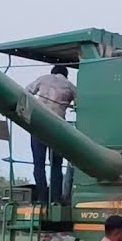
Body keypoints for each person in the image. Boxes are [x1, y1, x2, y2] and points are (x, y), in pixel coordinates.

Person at [25, 65, 77, 205]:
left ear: (52, 72)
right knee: (56, 165)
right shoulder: (70, 86)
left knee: (38, 164)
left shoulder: (43, 79)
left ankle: (42, 198)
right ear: (66, 75)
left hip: (38, 124)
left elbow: (25, 92)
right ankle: (56, 198)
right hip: (58, 128)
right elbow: (80, 105)